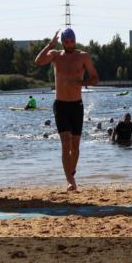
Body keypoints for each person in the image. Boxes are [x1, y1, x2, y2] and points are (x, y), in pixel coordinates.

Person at [34, 27, 99, 191]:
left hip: (76, 105)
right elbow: (38, 61)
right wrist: (49, 45)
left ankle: (71, 172)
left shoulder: (83, 56)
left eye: (71, 41)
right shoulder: (56, 55)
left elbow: (95, 79)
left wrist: (80, 83)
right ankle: (70, 181)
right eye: (66, 41)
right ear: (62, 42)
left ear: (75, 40)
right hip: (61, 105)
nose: (69, 44)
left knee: (75, 145)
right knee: (65, 143)